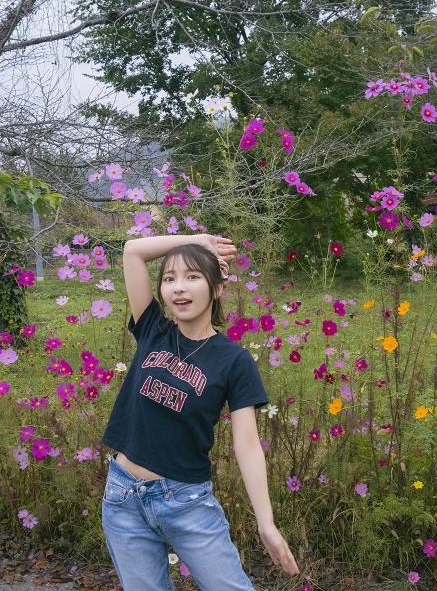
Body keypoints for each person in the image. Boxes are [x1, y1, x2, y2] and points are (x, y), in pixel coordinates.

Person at [100, 233, 299, 590]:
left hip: (186, 503)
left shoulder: (234, 361)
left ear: (217, 287)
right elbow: (133, 250)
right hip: (123, 497)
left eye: (192, 276)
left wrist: (266, 522)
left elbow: (247, 445)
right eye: (169, 278)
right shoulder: (152, 330)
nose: (179, 287)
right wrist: (198, 240)